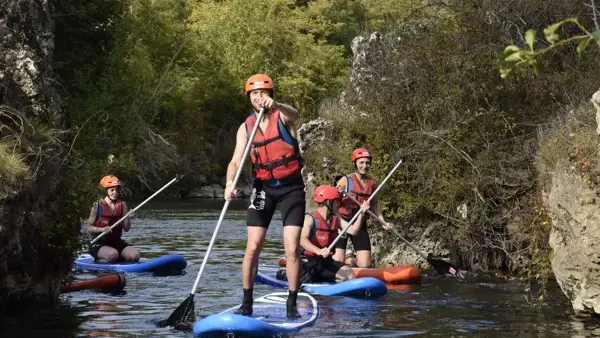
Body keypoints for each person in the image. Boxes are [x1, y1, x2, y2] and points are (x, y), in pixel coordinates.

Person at [224, 74, 305, 319]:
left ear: (271, 94)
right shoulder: (245, 127)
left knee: (291, 249)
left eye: (263, 93)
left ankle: (291, 303)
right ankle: (246, 302)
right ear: (249, 98)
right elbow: (236, 160)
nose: (259, 98)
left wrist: (277, 105)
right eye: (254, 94)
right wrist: (229, 183)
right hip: (262, 188)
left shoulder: (282, 116)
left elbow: (296, 115)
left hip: (291, 187)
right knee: (252, 247)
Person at [278, 185, 370, 283]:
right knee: (308, 279)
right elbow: (302, 239)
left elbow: (353, 230)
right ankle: (285, 273)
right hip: (307, 261)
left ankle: (330, 280)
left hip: (325, 261)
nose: (339, 204)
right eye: (337, 201)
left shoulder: (336, 219)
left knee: (350, 276)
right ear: (328, 202)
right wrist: (318, 251)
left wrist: (361, 213)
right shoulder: (310, 219)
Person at [334, 148, 391, 268]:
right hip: (342, 222)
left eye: (367, 163)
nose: (364, 166)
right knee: (337, 262)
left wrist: (383, 223)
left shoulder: (372, 183)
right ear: (354, 163)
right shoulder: (345, 180)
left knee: (365, 265)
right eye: (361, 162)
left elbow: (375, 205)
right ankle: (338, 259)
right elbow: (332, 201)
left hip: (360, 223)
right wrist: (338, 192)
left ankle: (349, 261)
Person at [87, 175, 140, 263]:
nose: (115, 192)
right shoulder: (97, 205)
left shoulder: (122, 205)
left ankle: (118, 257)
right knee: (113, 255)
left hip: (116, 242)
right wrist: (102, 229)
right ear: (105, 191)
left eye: (117, 190)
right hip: (99, 243)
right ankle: (100, 260)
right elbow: (89, 227)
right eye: (112, 190)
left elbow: (126, 229)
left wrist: (128, 218)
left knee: (135, 256)